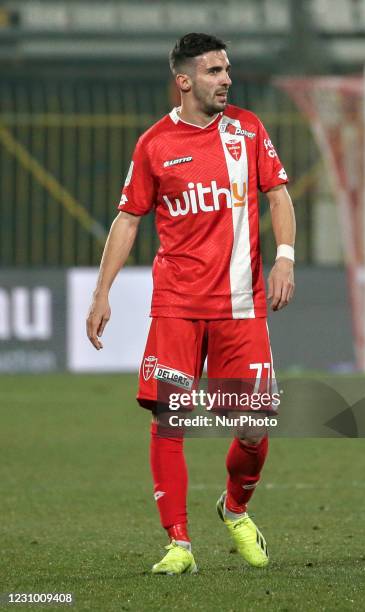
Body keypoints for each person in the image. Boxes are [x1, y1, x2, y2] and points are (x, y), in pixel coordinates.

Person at [86, 32, 295, 575]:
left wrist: (286, 257)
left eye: (227, 70)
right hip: (177, 305)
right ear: (184, 81)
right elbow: (129, 218)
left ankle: (235, 507)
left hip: (241, 306)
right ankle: (178, 543)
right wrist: (102, 291)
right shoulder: (155, 144)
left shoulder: (248, 130)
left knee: (252, 427)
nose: (226, 79)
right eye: (214, 71)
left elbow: (277, 193)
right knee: (169, 417)